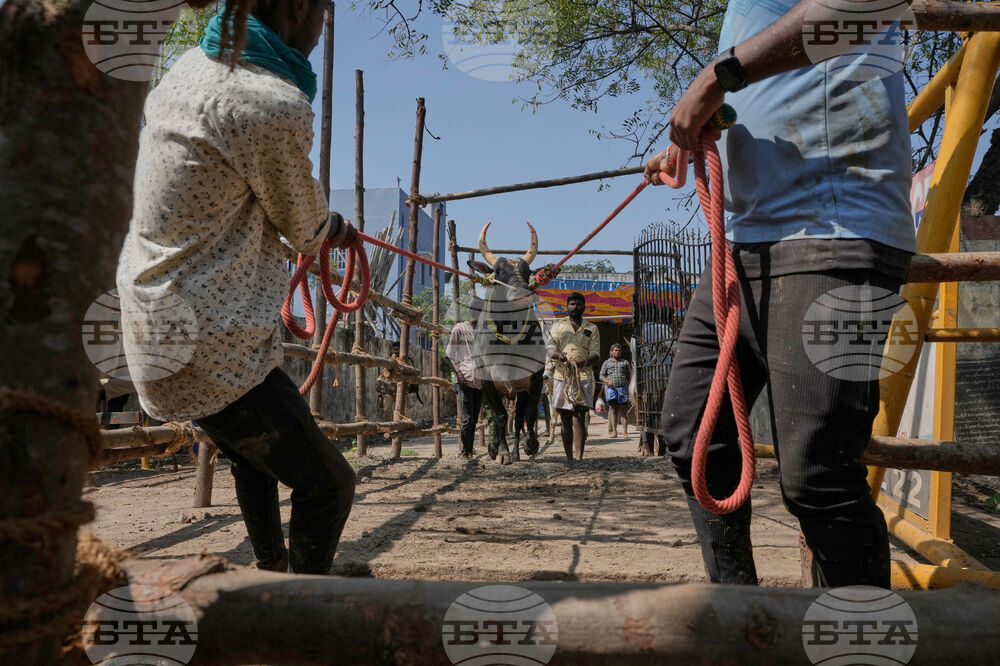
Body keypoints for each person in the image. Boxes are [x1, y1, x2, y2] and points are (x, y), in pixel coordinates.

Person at [644, 0, 915, 588]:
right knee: (693, 437)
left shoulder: (734, 58)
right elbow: (777, 88)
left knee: (818, 473)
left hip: (832, 230)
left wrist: (719, 76)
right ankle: (742, 618)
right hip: (746, 240)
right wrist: (696, 138)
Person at [116, 0, 360, 574]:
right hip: (214, 349)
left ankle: (271, 574)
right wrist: (337, 229)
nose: (323, 29)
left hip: (155, 325)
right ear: (297, 10)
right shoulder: (271, 102)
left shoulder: (189, 69)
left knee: (255, 458)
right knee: (329, 484)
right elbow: (305, 228)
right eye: (324, 13)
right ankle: (298, 608)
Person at [547, 292, 601, 460]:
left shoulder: (591, 328)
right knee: (564, 418)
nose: (575, 307)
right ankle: (569, 458)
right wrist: (558, 355)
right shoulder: (558, 326)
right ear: (567, 306)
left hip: (583, 377)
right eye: (572, 304)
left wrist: (583, 362)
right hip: (562, 376)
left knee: (579, 417)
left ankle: (579, 457)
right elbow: (550, 349)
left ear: (584, 307)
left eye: (578, 304)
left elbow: (596, 354)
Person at [445, 299, 484, 458]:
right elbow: (448, 356)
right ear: (477, 313)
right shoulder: (459, 329)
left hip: (480, 380)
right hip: (465, 379)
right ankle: (465, 451)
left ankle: (469, 450)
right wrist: (458, 374)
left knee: (474, 418)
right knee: (467, 418)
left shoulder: (481, 332)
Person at [599, 343, 632, 438]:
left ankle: (625, 432)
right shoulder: (606, 363)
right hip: (612, 390)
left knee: (624, 411)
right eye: (615, 350)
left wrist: (629, 389)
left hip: (623, 389)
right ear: (611, 352)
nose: (617, 352)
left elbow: (629, 376)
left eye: (619, 351)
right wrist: (607, 381)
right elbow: (601, 376)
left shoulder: (625, 363)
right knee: (614, 410)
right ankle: (614, 432)